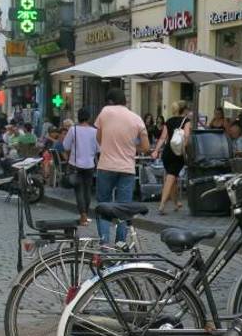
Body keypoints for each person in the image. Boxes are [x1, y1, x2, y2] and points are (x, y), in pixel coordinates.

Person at [94, 89, 149, 244]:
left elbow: (99, 138)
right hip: (127, 168)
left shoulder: (105, 111)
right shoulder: (136, 118)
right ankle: (120, 243)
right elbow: (145, 147)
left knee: (103, 204)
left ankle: (104, 242)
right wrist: (131, 147)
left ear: (110, 101)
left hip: (106, 166)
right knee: (124, 208)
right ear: (125, 101)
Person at [151, 100, 190, 214]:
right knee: (171, 178)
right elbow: (186, 136)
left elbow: (163, 138)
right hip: (177, 153)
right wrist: (185, 150)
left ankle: (176, 203)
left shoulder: (169, 121)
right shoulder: (186, 121)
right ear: (185, 110)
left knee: (172, 178)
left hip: (167, 152)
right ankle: (162, 205)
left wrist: (156, 150)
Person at [62, 108, 99, 226]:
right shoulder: (95, 131)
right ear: (89, 118)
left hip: (75, 164)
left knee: (79, 190)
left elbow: (66, 146)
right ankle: (85, 214)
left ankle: (83, 215)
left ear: (78, 117)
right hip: (89, 164)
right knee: (87, 190)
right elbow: (99, 149)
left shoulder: (73, 130)